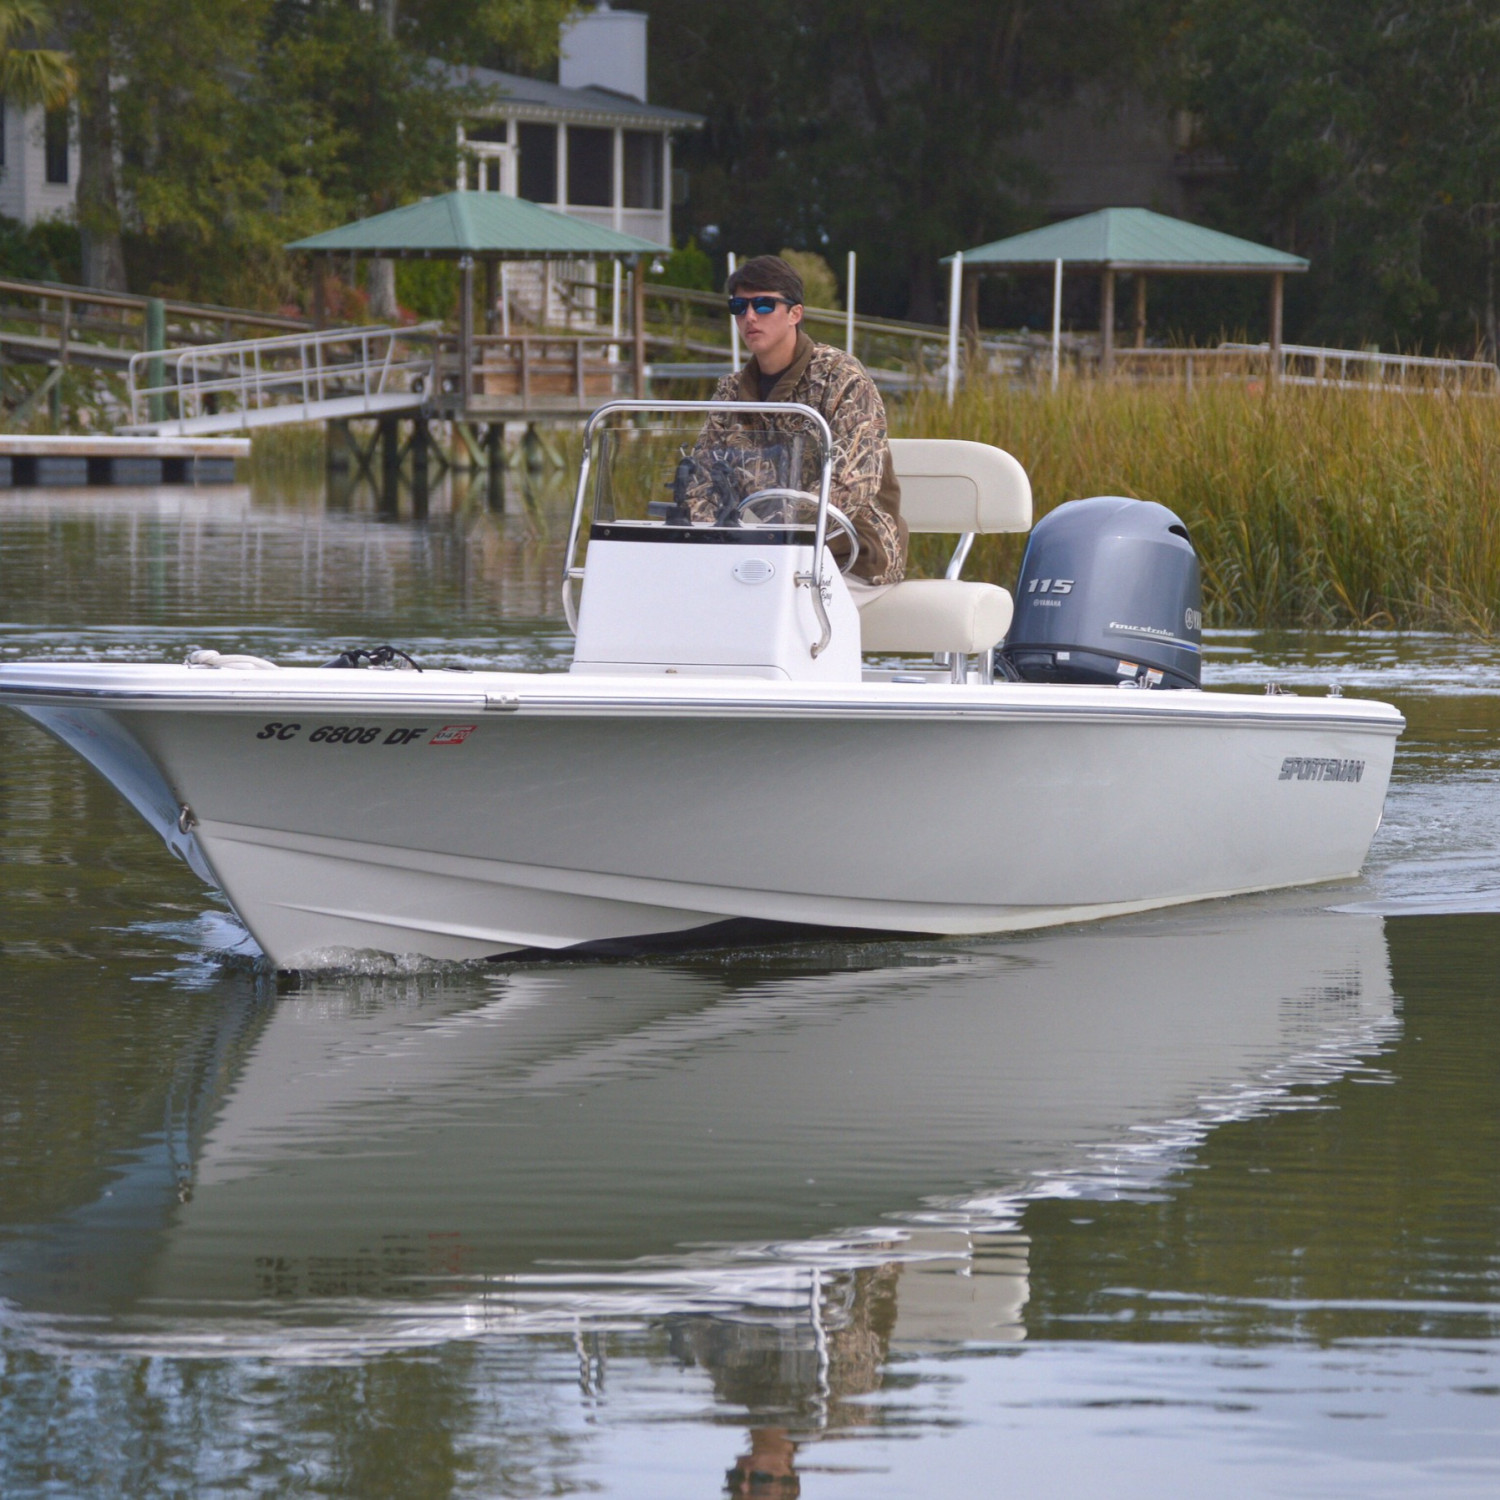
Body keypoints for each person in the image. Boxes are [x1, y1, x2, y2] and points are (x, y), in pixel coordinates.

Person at [686, 254, 907, 591]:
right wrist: (706, 537)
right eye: (738, 306)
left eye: (763, 305)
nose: (748, 317)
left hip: (852, 550)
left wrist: (778, 532)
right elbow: (701, 481)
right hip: (757, 551)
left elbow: (853, 482)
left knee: (769, 602)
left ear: (795, 313)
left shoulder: (841, 377)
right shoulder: (729, 390)